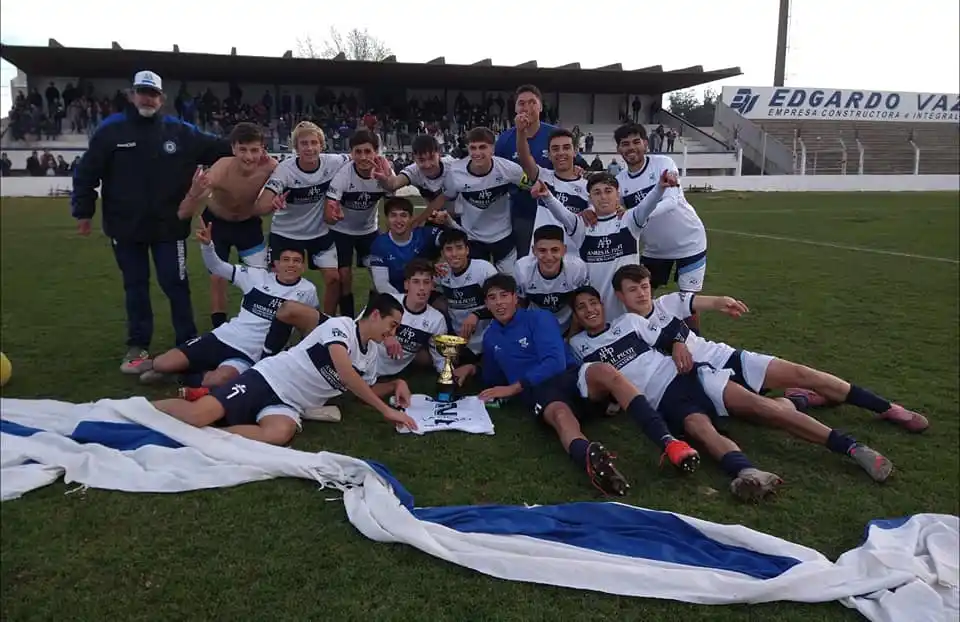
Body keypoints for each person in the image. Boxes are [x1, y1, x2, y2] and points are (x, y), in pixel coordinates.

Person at [570, 285, 893, 501]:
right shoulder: (577, 346)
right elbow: (595, 387)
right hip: (664, 400)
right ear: (576, 315)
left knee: (764, 409)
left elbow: (671, 332)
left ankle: (853, 448)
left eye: (593, 303)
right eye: (581, 307)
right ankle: (748, 473)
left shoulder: (628, 322)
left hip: (688, 376)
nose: (589, 310)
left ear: (603, 304)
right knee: (701, 430)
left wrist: (679, 343)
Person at [611, 264, 929, 433]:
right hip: (701, 384)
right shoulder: (625, 331)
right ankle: (798, 400)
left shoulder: (668, 302)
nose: (641, 293)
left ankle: (887, 407)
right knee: (771, 416)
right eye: (632, 290)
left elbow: (700, 301)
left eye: (644, 286)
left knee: (804, 372)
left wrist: (724, 302)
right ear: (621, 297)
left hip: (725, 358)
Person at [466, 274, 699, 496]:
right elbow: (493, 378)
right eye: (492, 298)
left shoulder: (539, 318)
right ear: (486, 302)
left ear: (515, 297)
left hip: (569, 376)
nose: (499, 303)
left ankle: (669, 443)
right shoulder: (491, 337)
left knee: (605, 371)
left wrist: (514, 388)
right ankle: (592, 460)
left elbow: (554, 361)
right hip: (541, 393)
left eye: (504, 295)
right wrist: (472, 368)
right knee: (560, 416)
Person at [71, 70, 232, 374]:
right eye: (142, 92)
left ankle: (188, 343)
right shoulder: (110, 131)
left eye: (153, 93)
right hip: (125, 227)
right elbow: (86, 173)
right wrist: (83, 211)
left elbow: (220, 147)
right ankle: (137, 345)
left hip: (169, 228)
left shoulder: (180, 131)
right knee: (135, 287)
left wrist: (250, 146)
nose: (148, 98)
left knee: (176, 284)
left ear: (162, 98)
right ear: (132, 94)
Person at [152, 294, 418, 446]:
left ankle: (205, 437)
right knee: (198, 414)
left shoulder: (370, 356)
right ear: (374, 315)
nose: (393, 333)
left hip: (291, 404)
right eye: (392, 324)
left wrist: (395, 384)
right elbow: (346, 373)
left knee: (279, 434)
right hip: (268, 379)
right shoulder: (342, 327)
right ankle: (140, 409)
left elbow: (364, 391)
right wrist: (386, 410)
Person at [140, 219, 319, 396]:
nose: (291, 265)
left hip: (250, 352)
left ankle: (179, 377)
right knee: (162, 363)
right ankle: (167, 368)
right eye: (286, 260)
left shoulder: (307, 290)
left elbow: (311, 325)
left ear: (303, 267)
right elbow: (217, 267)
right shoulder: (256, 276)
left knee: (218, 381)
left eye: (297, 261)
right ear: (276, 264)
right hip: (223, 337)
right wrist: (208, 245)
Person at [176, 122, 278, 329]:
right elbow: (203, 190)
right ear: (233, 149)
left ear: (262, 149)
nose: (249, 156)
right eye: (242, 150)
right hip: (217, 223)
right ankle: (219, 327)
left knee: (260, 277)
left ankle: (258, 322)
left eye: (254, 150)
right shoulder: (222, 166)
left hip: (247, 224)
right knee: (217, 277)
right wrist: (194, 194)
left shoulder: (271, 166)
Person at [534, 171, 673, 320]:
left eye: (608, 191)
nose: (603, 197)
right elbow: (562, 214)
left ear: (617, 195)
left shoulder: (629, 220)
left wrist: (660, 187)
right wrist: (547, 196)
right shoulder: (581, 226)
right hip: (596, 310)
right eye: (597, 193)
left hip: (629, 310)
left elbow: (647, 205)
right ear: (590, 198)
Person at [614, 123, 707, 332]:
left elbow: (671, 200)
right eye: (625, 144)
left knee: (689, 303)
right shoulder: (619, 181)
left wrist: (637, 212)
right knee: (641, 298)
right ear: (619, 150)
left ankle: (695, 346)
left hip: (690, 242)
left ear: (646, 144)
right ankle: (650, 340)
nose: (631, 148)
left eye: (636, 142)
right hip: (654, 250)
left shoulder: (663, 164)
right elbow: (615, 214)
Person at [257, 121, 349, 316]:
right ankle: (276, 326)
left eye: (313, 143)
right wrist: (272, 204)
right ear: (296, 147)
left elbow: (358, 157)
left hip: (319, 232)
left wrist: (382, 162)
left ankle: (325, 321)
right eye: (304, 143)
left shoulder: (333, 162)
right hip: (286, 234)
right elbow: (261, 206)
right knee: (278, 285)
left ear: (321, 145)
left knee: (334, 279)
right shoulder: (285, 170)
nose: (309, 148)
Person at [494, 84, 588, 256]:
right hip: (523, 212)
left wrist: (580, 170)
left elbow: (579, 165)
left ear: (541, 106)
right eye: (522, 103)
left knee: (564, 255)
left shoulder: (554, 134)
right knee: (528, 257)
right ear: (515, 108)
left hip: (558, 209)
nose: (527, 107)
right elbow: (498, 173)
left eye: (532, 102)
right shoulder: (504, 140)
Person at [435, 127, 535, 276]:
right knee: (477, 282)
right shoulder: (455, 173)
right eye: (473, 148)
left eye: (482, 147)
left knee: (510, 282)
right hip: (472, 237)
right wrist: (447, 218)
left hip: (503, 235)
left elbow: (533, 186)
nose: (477, 153)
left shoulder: (509, 169)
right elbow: (447, 198)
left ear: (492, 149)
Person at [325, 130, 390, 318]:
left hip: (369, 231)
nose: (363, 157)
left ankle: (375, 315)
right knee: (344, 277)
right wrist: (333, 214)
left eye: (368, 152)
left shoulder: (384, 172)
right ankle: (348, 319)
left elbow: (392, 204)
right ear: (351, 153)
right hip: (341, 231)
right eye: (358, 152)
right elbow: (329, 212)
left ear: (376, 152)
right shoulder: (344, 174)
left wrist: (389, 234)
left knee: (380, 275)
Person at [514, 122, 589, 254]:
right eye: (555, 149)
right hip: (540, 259)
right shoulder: (543, 177)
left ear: (575, 151)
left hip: (573, 260)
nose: (561, 153)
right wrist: (520, 132)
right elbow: (524, 157)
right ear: (548, 155)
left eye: (566, 148)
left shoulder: (587, 187)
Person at [433, 229, 498, 378]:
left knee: (494, 369)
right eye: (449, 249)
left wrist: (477, 314)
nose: (454, 254)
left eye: (459, 248)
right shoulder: (442, 273)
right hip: (461, 340)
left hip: (489, 336)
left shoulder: (483, 269)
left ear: (467, 250)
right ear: (442, 253)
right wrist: (431, 267)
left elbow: (501, 303)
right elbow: (417, 275)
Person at [376, 259, 448, 377]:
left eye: (426, 282)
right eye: (416, 282)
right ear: (406, 285)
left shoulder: (437, 320)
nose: (421, 288)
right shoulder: (387, 300)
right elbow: (359, 327)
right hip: (363, 360)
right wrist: (386, 335)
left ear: (432, 286)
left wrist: (448, 375)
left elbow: (439, 358)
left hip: (392, 372)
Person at [514, 225, 589, 335]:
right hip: (536, 328)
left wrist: (570, 338)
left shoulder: (577, 268)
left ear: (564, 250)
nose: (549, 257)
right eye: (542, 250)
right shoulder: (522, 269)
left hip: (569, 327)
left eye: (555, 250)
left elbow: (580, 305)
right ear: (534, 251)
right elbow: (521, 305)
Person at [372, 134, 458, 222]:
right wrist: (383, 178)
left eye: (431, 158)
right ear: (414, 158)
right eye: (421, 160)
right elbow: (393, 185)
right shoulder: (414, 171)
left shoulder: (454, 166)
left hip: (462, 219)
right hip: (435, 217)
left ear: (439, 154)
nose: (427, 165)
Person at [368, 197, 442, 296]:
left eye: (403, 215)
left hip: (423, 294)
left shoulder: (424, 235)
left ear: (411, 218)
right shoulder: (379, 244)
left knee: (442, 305)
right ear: (387, 219)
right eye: (393, 215)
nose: (398, 220)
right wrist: (406, 302)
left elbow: (454, 240)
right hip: (394, 298)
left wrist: (449, 222)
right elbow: (381, 284)